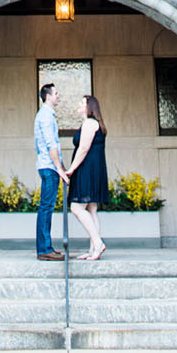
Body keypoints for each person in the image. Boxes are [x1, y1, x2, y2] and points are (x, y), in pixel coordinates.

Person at [64, 94, 109, 260]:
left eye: (82, 102)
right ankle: (93, 250)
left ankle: (98, 243)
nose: (79, 104)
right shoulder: (94, 124)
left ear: (90, 107)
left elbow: (83, 148)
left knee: (77, 207)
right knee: (91, 209)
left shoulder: (90, 123)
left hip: (87, 169)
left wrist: (71, 169)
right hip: (94, 169)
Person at [33, 82, 68, 261]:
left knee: (46, 207)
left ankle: (46, 247)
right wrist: (60, 169)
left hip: (48, 166)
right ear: (48, 96)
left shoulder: (46, 115)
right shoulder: (46, 116)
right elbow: (51, 145)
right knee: (46, 208)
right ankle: (44, 249)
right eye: (56, 93)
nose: (58, 96)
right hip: (49, 167)